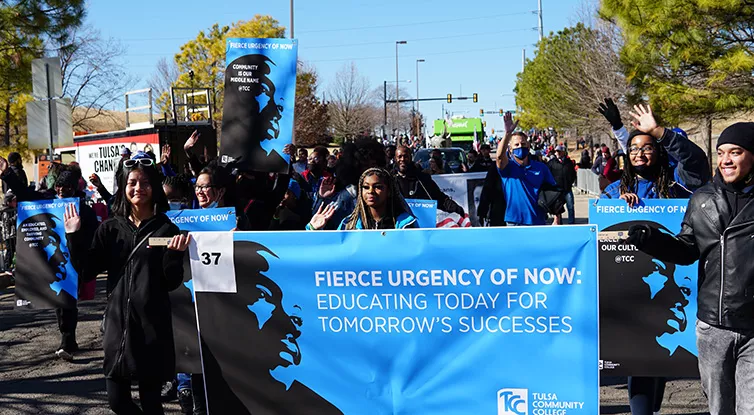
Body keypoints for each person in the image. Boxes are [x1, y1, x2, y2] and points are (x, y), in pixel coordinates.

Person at [624, 122, 754, 415]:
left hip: (752, 328)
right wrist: (652, 240)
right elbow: (686, 250)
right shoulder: (702, 199)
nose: (726, 160)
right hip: (713, 326)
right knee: (719, 408)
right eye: (721, 153)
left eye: (736, 152)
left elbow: (691, 160)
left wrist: (661, 132)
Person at [599, 104, 710, 415]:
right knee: (642, 362)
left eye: (647, 148)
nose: (640, 154)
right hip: (637, 291)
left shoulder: (677, 184)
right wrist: (618, 208)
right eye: (633, 149)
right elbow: (601, 231)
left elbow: (697, 164)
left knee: (663, 361)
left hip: (679, 280)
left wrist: (659, 132)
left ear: (659, 152)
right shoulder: (613, 193)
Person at [66, 152, 189, 414]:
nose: (138, 188)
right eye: (132, 182)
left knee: (152, 404)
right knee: (117, 401)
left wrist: (174, 257)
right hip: (117, 326)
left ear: (155, 188)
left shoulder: (166, 229)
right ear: (123, 187)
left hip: (151, 328)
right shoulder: (110, 228)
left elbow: (171, 282)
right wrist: (74, 237)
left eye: (145, 183)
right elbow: (87, 272)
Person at [195, 241, 344, 415]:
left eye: (297, 320)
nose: (290, 328)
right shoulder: (218, 385)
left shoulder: (322, 409)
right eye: (263, 296)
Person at [0, 160, 99, 362]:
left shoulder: (84, 210)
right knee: (59, 300)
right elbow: (26, 195)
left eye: (67, 189)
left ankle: (67, 338)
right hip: (53, 259)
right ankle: (67, 338)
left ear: (74, 188)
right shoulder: (48, 201)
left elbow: (93, 237)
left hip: (75, 259)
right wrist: (7, 174)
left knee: (68, 300)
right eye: (59, 189)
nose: (61, 193)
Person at [495, 112, 557, 226]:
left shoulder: (541, 168)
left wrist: (557, 218)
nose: (520, 147)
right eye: (516, 145)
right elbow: (499, 157)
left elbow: (554, 192)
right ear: (510, 149)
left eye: (523, 144)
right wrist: (508, 133)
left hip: (538, 220)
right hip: (515, 222)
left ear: (528, 147)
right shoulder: (507, 168)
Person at [308, 168, 418, 230]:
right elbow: (332, 254)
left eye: (378, 187)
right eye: (366, 187)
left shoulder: (406, 224)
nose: (370, 191)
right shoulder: (349, 224)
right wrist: (313, 229)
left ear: (389, 191)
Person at [393, 145, 466, 218]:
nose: (402, 159)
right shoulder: (390, 179)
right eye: (399, 157)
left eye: (405, 156)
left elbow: (440, 198)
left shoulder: (422, 178)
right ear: (395, 159)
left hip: (420, 222)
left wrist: (458, 210)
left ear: (410, 158)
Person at [547, 145, 577, 224]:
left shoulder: (569, 163)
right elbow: (547, 174)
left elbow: (573, 174)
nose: (557, 153)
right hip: (556, 190)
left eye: (559, 151)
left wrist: (570, 182)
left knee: (570, 206)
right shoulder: (551, 163)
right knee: (558, 208)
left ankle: (571, 222)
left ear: (563, 152)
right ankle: (559, 222)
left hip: (567, 189)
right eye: (556, 151)